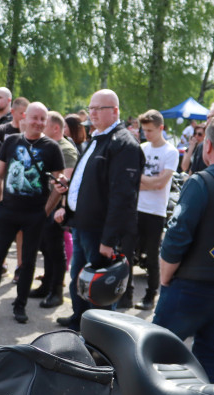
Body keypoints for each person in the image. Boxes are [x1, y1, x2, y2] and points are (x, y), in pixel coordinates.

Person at [154, 114, 214, 382]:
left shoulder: (200, 182)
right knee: (210, 365)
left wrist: (165, 279)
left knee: (154, 357)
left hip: (189, 288)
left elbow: (176, 238)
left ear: (207, 146)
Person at [53, 89, 143, 331]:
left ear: (115, 111)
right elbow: (91, 182)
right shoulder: (98, 138)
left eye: (98, 109)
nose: (91, 113)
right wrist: (68, 192)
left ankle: (101, 340)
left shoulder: (124, 144)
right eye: (90, 108)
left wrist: (109, 239)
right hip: (82, 225)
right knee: (79, 281)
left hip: (100, 231)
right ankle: (79, 322)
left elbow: (123, 197)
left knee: (100, 289)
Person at [0, 102, 64, 324]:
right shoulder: (12, 142)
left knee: (27, 263)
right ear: (25, 117)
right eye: (34, 117)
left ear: (46, 122)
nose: (38, 122)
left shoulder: (52, 148)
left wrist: (45, 211)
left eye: (42, 119)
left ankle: (20, 306)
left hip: (34, 215)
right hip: (7, 212)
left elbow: (59, 183)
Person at [127, 108, 178, 310]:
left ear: (161, 128)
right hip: (136, 208)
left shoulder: (170, 152)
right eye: (144, 130)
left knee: (151, 255)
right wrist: (150, 182)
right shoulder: (142, 148)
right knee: (127, 252)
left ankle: (150, 295)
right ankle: (126, 293)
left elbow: (161, 183)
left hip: (155, 211)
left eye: (150, 130)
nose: (146, 134)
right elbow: (132, 180)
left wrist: (145, 181)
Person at [31, 110, 77, 309]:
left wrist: (56, 209)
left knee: (56, 250)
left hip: (56, 206)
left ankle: (56, 290)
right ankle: (47, 284)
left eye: (45, 123)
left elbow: (63, 183)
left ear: (56, 127)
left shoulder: (66, 149)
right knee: (46, 248)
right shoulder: (48, 145)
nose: (41, 126)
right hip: (44, 205)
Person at [181, 102, 214, 174]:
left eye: (213, 117)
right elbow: (190, 173)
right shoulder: (202, 146)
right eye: (208, 117)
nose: (208, 121)